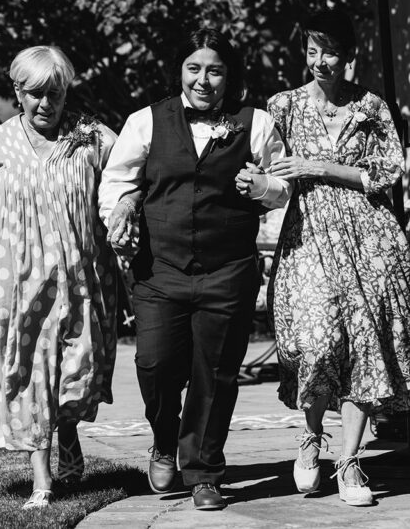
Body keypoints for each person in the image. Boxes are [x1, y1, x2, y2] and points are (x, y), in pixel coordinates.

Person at [99, 28, 290, 511]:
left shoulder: (257, 123)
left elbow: (285, 188)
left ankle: (204, 470)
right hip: (159, 268)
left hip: (228, 270)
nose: (203, 80)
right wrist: (120, 210)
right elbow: (117, 181)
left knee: (217, 373)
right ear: (180, 70)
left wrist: (262, 185)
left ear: (229, 75)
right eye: (194, 68)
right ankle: (165, 441)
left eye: (215, 70)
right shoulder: (146, 121)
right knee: (155, 364)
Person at [265, 8, 410, 505]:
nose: (320, 62)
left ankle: (351, 462)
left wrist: (321, 165)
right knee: (318, 338)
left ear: (349, 55)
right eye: (312, 52)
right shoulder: (283, 106)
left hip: (369, 238)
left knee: (364, 344)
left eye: (330, 52)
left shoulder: (372, 107)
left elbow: (387, 172)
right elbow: (265, 164)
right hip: (310, 234)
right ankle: (312, 436)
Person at [0, 45, 119, 511]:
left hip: (82, 282)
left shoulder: (91, 139)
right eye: (35, 94)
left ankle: (66, 432)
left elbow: (130, 175)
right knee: (29, 379)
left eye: (56, 93)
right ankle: (42, 480)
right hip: (17, 285)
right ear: (17, 92)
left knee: (78, 376)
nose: (46, 104)